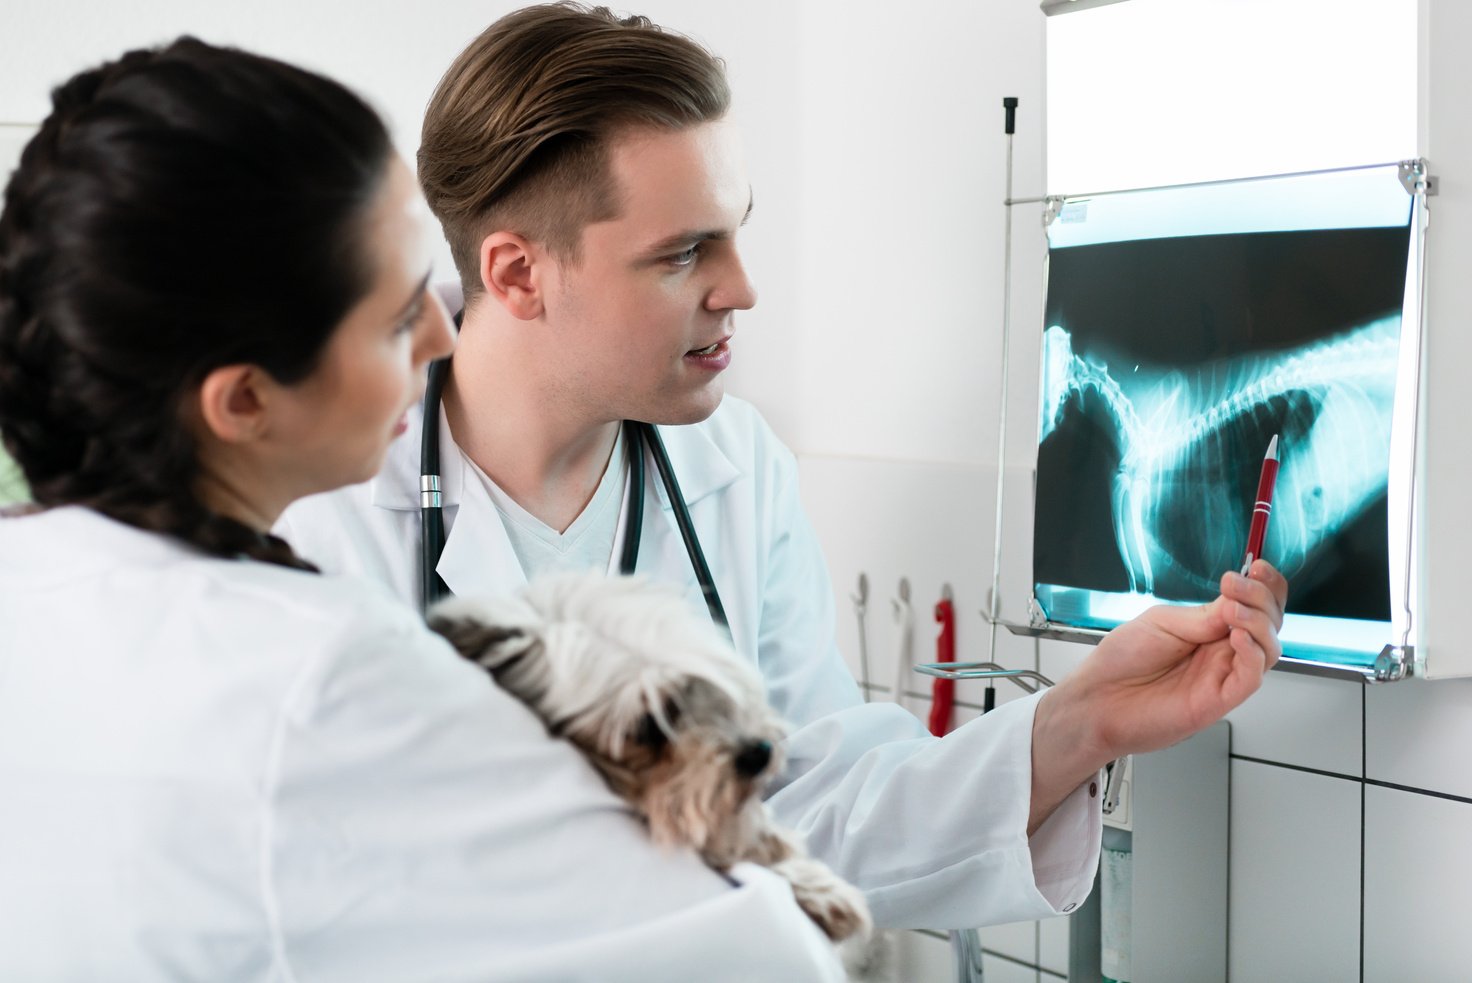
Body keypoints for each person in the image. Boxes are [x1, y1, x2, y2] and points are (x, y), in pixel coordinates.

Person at [278, 2, 1289, 931]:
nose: (741, 288)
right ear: (516, 272)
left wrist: (1083, 718)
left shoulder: (730, 462)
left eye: (736, 233)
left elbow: (811, 815)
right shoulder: (316, 504)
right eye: (683, 252)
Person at [0, 39, 846, 981]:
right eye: (400, 313)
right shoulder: (330, 674)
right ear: (243, 401)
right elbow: (770, 961)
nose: (446, 329)